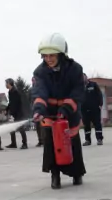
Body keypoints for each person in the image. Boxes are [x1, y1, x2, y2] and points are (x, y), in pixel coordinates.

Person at [31, 32, 86, 189]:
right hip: (49, 113)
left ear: (61, 54)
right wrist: (38, 109)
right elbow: (39, 92)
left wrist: (66, 109)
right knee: (50, 143)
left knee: (72, 143)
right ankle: (55, 176)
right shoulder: (40, 72)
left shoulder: (75, 69)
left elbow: (77, 92)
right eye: (45, 56)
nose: (48, 59)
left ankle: (77, 174)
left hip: (70, 111)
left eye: (52, 56)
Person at [81, 74, 105, 146]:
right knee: (86, 125)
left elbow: (99, 94)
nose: (82, 78)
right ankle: (87, 140)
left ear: (86, 77)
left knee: (97, 124)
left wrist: (100, 104)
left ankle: (99, 139)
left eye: (83, 77)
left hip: (95, 109)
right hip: (84, 110)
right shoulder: (79, 87)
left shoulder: (93, 85)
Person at [4, 78, 28, 149]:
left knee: (21, 129)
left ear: (9, 83)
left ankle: (25, 144)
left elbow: (17, 103)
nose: (5, 85)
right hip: (13, 113)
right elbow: (11, 102)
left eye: (6, 83)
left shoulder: (15, 91)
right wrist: (7, 109)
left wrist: (14, 113)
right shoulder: (10, 92)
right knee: (12, 128)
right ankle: (13, 143)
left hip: (18, 113)